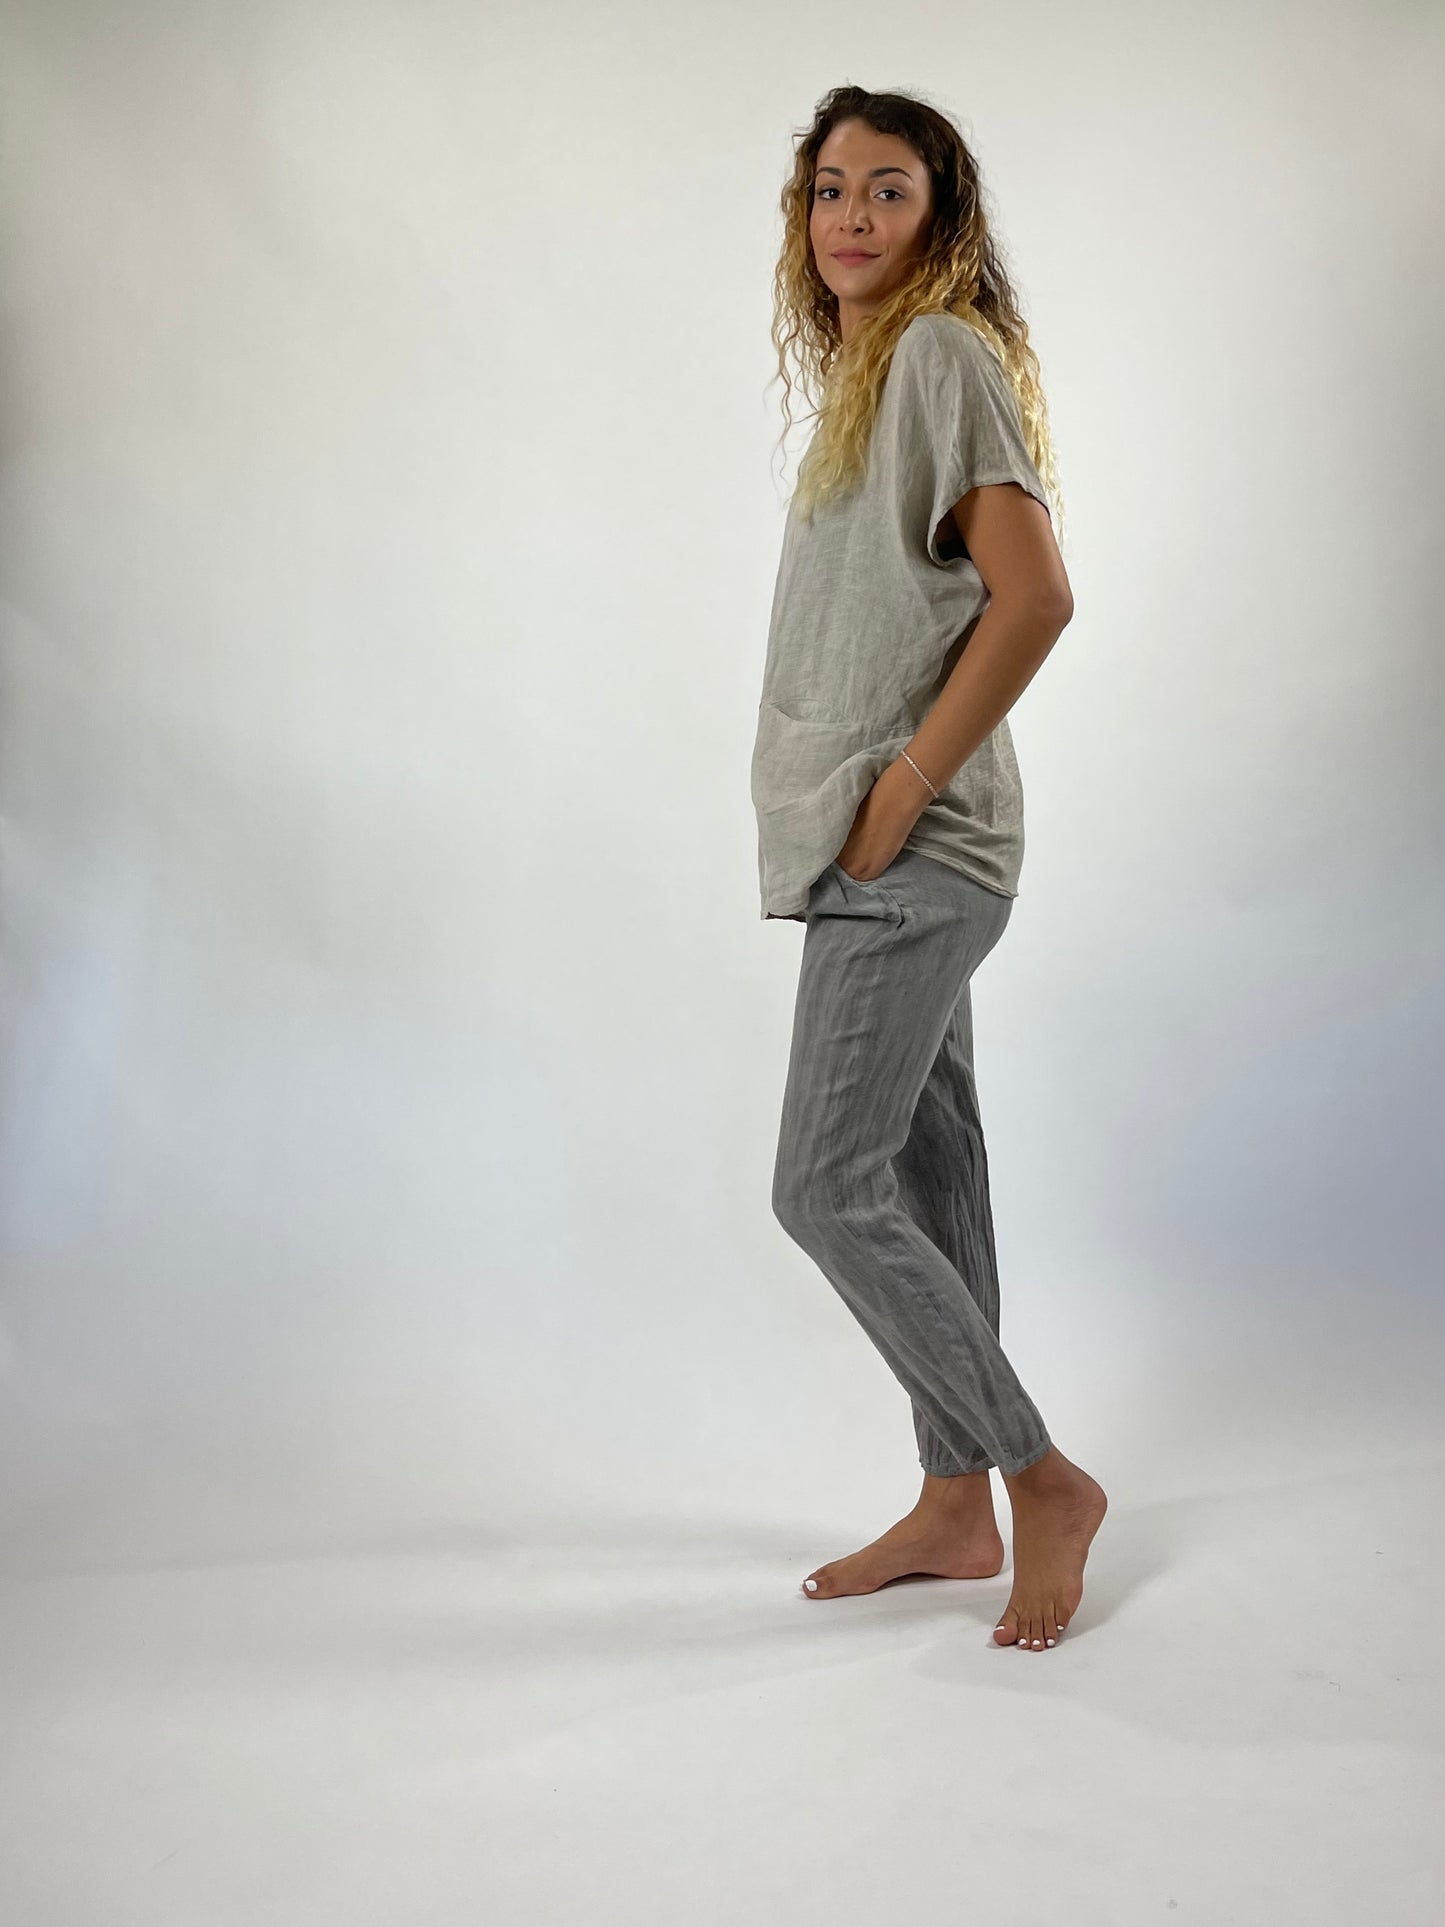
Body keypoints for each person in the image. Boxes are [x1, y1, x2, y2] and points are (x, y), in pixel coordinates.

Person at [752, 86, 1108, 1653]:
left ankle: (1041, 1478)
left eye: (887, 190)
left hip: (912, 850)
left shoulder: (940, 355)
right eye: (830, 188)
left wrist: (900, 790)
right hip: (872, 844)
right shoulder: (869, 373)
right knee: (921, 1171)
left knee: (821, 1187)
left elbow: (1035, 598)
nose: (851, 216)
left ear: (939, 217)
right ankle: (955, 1503)